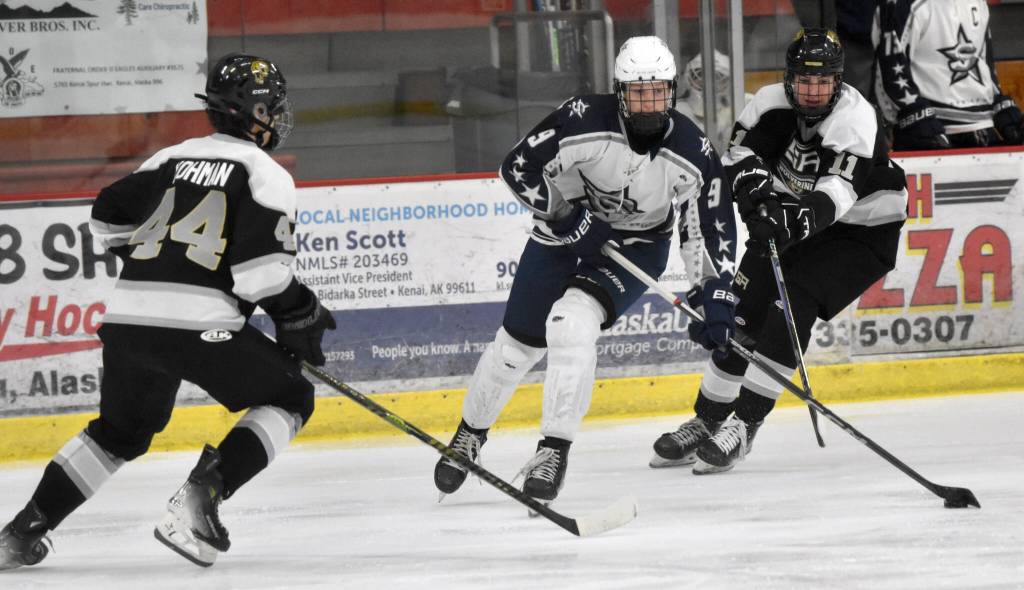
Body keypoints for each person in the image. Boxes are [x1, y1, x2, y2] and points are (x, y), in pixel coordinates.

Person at [0, 53, 335, 570]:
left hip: (128, 321)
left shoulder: (169, 158)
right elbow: (260, 276)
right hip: (199, 326)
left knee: (117, 434)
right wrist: (301, 312)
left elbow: (106, 212)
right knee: (292, 397)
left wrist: (153, 263)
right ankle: (203, 496)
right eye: (272, 107)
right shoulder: (264, 172)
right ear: (256, 113)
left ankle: (22, 531)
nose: (277, 117)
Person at [432, 36, 739, 505]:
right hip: (561, 233)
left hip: (637, 247)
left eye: (657, 91)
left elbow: (707, 228)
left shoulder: (692, 148)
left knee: (571, 324)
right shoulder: (583, 119)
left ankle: (552, 450)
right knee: (515, 347)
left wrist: (713, 289)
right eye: (638, 92)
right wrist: (567, 216)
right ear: (619, 92)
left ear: (672, 91)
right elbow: (518, 167)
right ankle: (470, 435)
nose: (648, 103)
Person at [650, 28, 908, 473]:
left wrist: (787, 219)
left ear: (838, 82)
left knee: (793, 306)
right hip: (791, 220)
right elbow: (740, 157)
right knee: (742, 314)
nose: (812, 91)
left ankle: (744, 425)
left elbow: (836, 194)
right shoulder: (769, 103)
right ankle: (707, 420)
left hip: (861, 232)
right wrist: (757, 199)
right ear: (790, 80)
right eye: (805, 82)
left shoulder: (856, 118)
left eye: (823, 82)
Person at [873, 0, 1024, 150]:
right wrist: (911, 115)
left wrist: (1001, 105)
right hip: (932, 130)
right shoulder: (902, 5)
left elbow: (985, 64)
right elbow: (888, 69)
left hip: (984, 126)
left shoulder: (978, 3)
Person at [677, 51, 753, 148]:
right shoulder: (677, 110)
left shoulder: (743, 104)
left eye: (717, 76)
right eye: (700, 74)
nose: (708, 82)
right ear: (689, 78)